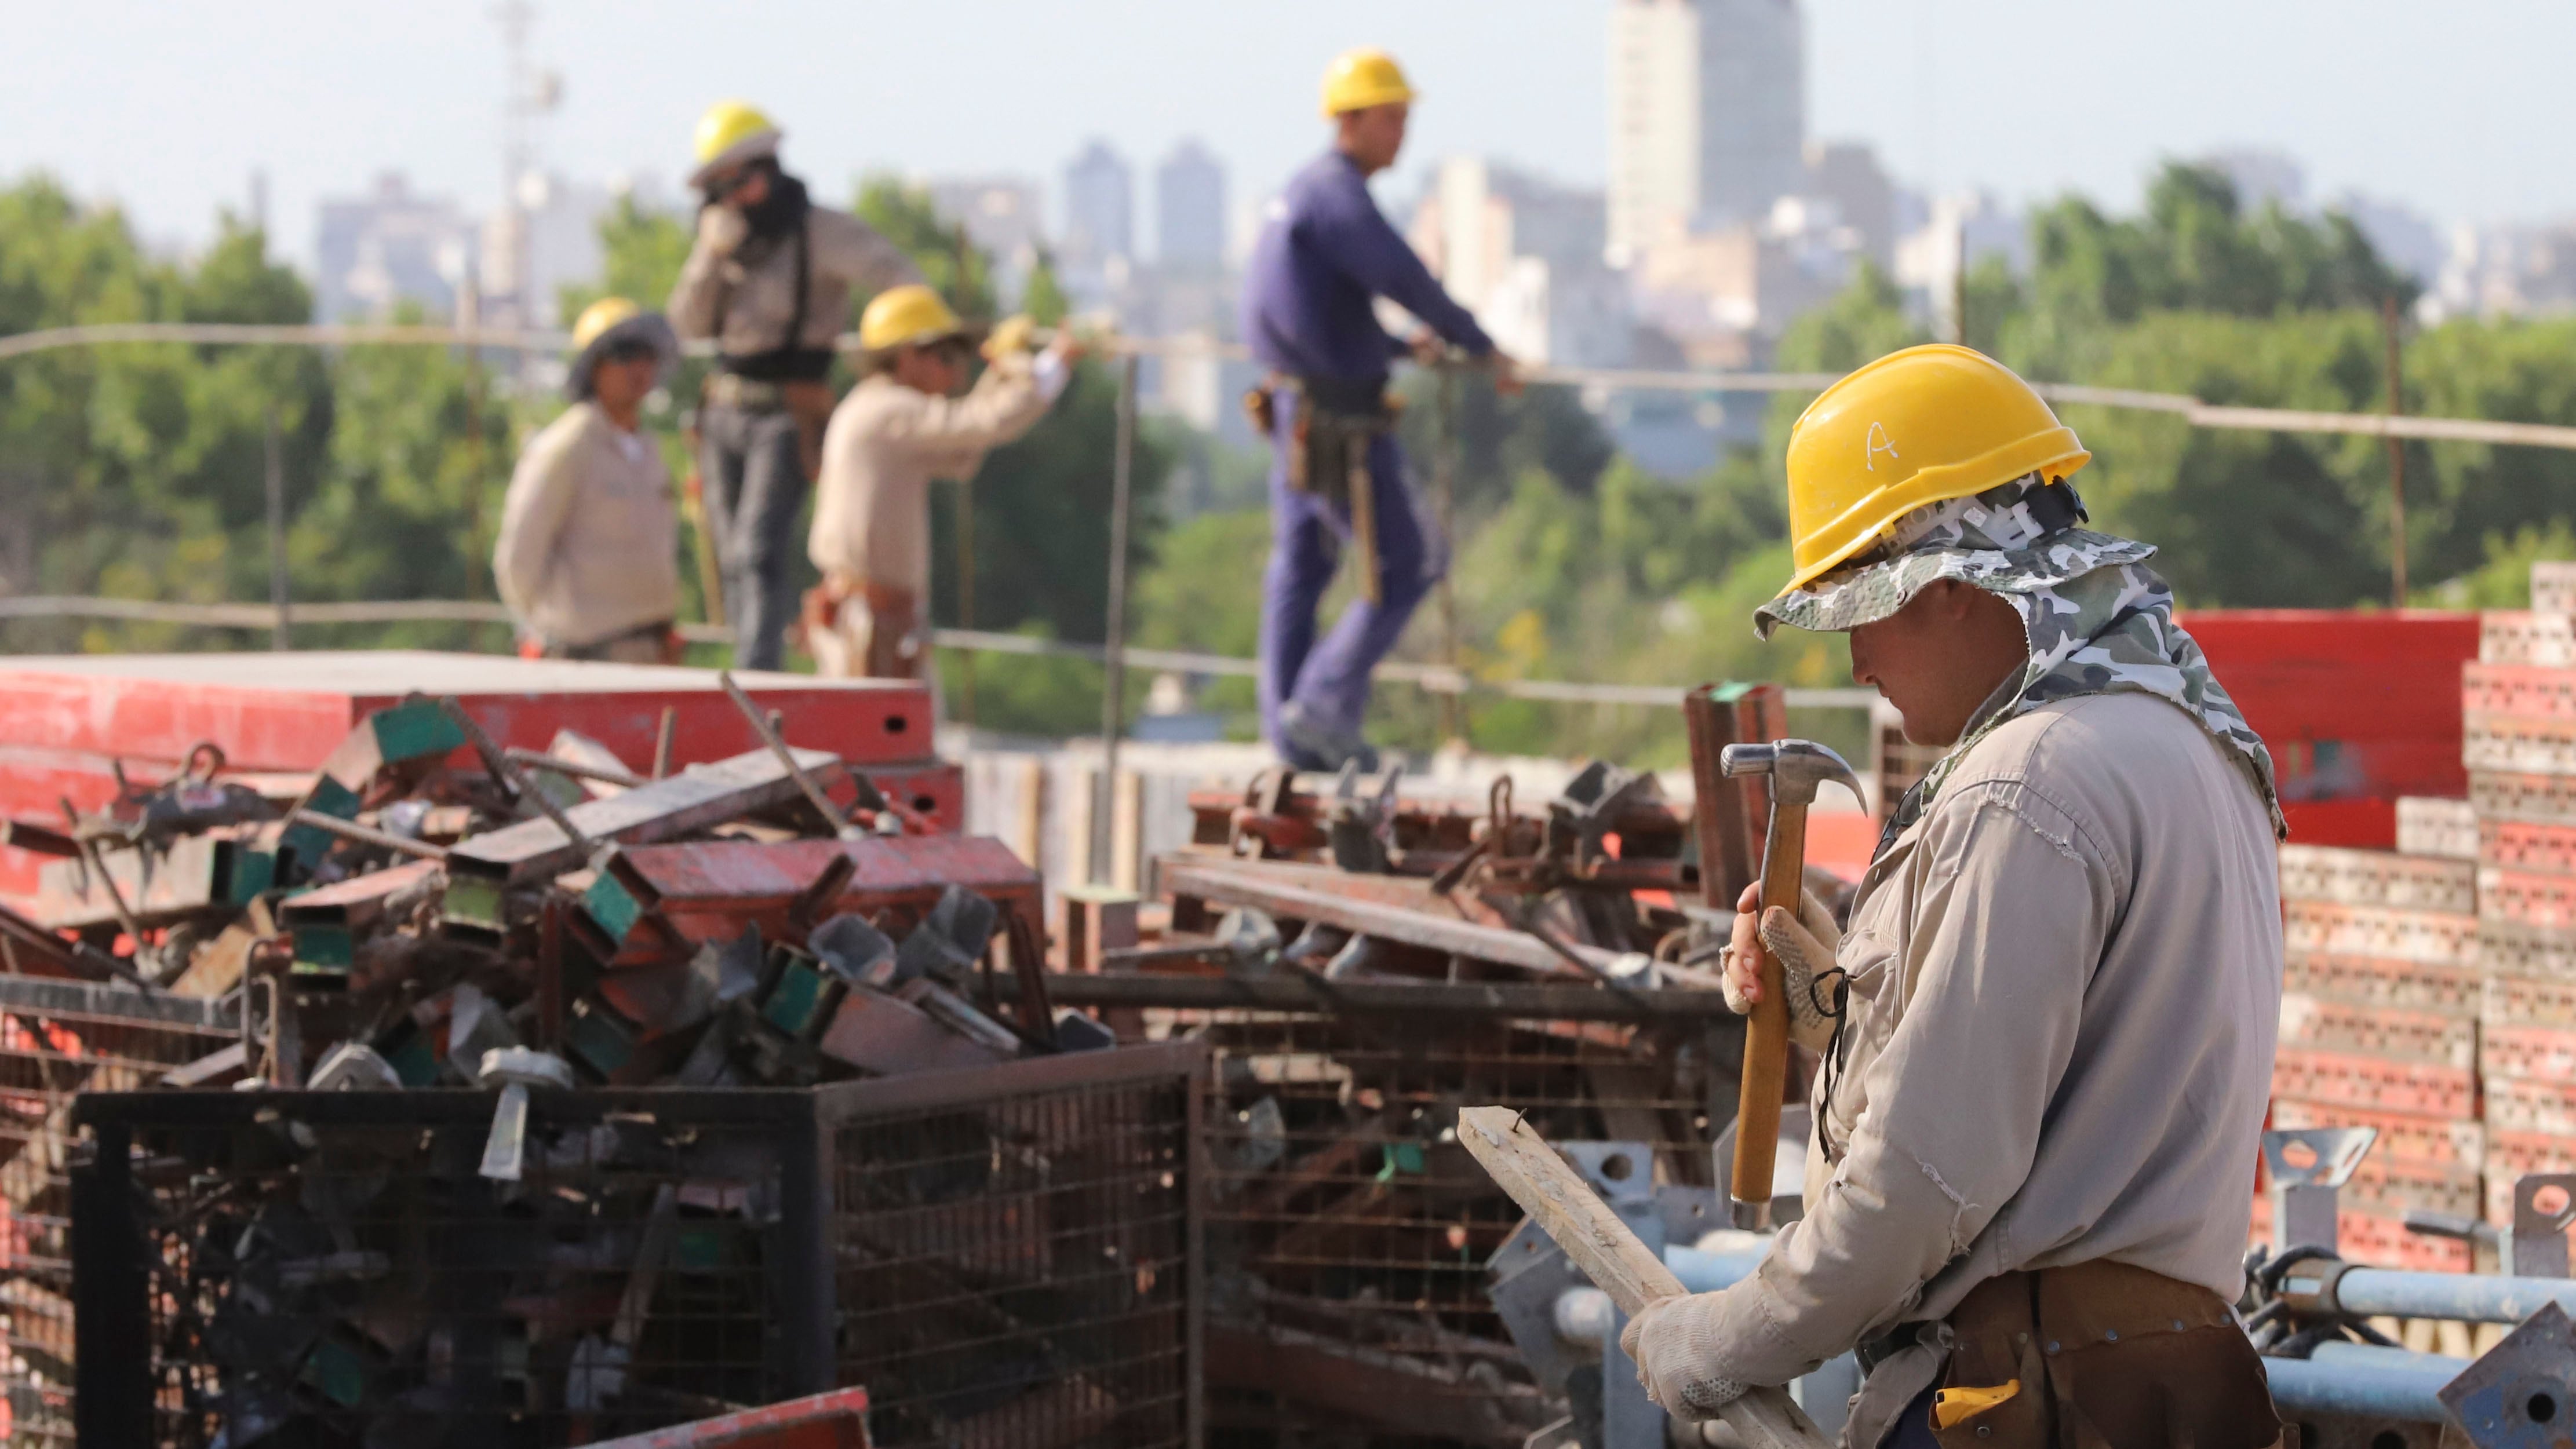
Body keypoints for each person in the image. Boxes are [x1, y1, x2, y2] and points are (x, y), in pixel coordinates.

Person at [1624, 345, 2289, 1448]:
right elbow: (2074, 1092)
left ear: (1942, 587)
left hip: (2034, 1400)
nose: (1855, 668)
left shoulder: (2025, 785)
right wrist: (1845, 1013)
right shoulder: (2189, 745)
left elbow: (1921, 1185)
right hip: (2157, 1397)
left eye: (1858, 614)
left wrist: (1720, 1338)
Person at [1240, 47, 1519, 771]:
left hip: (1296, 403)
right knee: (1408, 561)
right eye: (1390, 117)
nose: (1401, 132)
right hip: (1334, 418)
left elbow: (1319, 313)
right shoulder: (1337, 196)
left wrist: (1394, 350)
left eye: (1403, 117)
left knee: (1300, 565)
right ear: (1350, 120)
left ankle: (1289, 732)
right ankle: (1321, 708)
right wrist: (1480, 344)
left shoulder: (1306, 192)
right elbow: (1401, 275)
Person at [668, 100, 923, 670]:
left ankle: (757, 680)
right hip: (723, 412)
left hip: (788, 414)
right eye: (723, 188)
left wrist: (900, 344)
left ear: (771, 169)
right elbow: (686, 324)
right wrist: (710, 256)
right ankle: (745, 659)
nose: (739, 197)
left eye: (745, 181)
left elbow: (900, 278)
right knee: (732, 553)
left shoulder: (823, 232)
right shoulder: (722, 243)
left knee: (759, 551)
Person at [804, 286, 1079, 681]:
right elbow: (986, 423)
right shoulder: (890, 411)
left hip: (868, 617)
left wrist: (1004, 372)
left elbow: (963, 449)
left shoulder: (873, 408)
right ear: (907, 356)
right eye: (945, 356)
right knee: (890, 738)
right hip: (871, 621)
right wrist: (1034, 366)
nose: (956, 372)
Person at [491, 297, 684, 664]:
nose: (639, 366)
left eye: (647, 354)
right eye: (624, 353)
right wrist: (547, 627)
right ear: (594, 366)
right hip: (584, 658)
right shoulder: (566, 447)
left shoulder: (647, 449)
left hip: (649, 653)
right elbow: (519, 559)